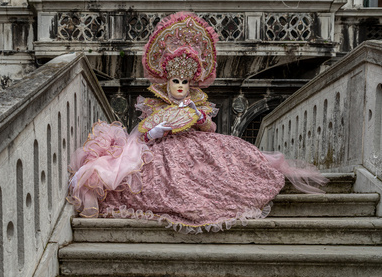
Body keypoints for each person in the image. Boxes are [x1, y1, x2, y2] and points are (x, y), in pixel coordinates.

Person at [67, 12, 327, 234]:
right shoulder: (154, 105)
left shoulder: (198, 103)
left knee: (229, 155)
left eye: (184, 82)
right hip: (163, 150)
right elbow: (144, 134)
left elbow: (210, 129)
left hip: (197, 144)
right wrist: (157, 130)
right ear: (167, 83)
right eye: (176, 82)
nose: (180, 87)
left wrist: (200, 117)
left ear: (191, 84)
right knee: (158, 177)